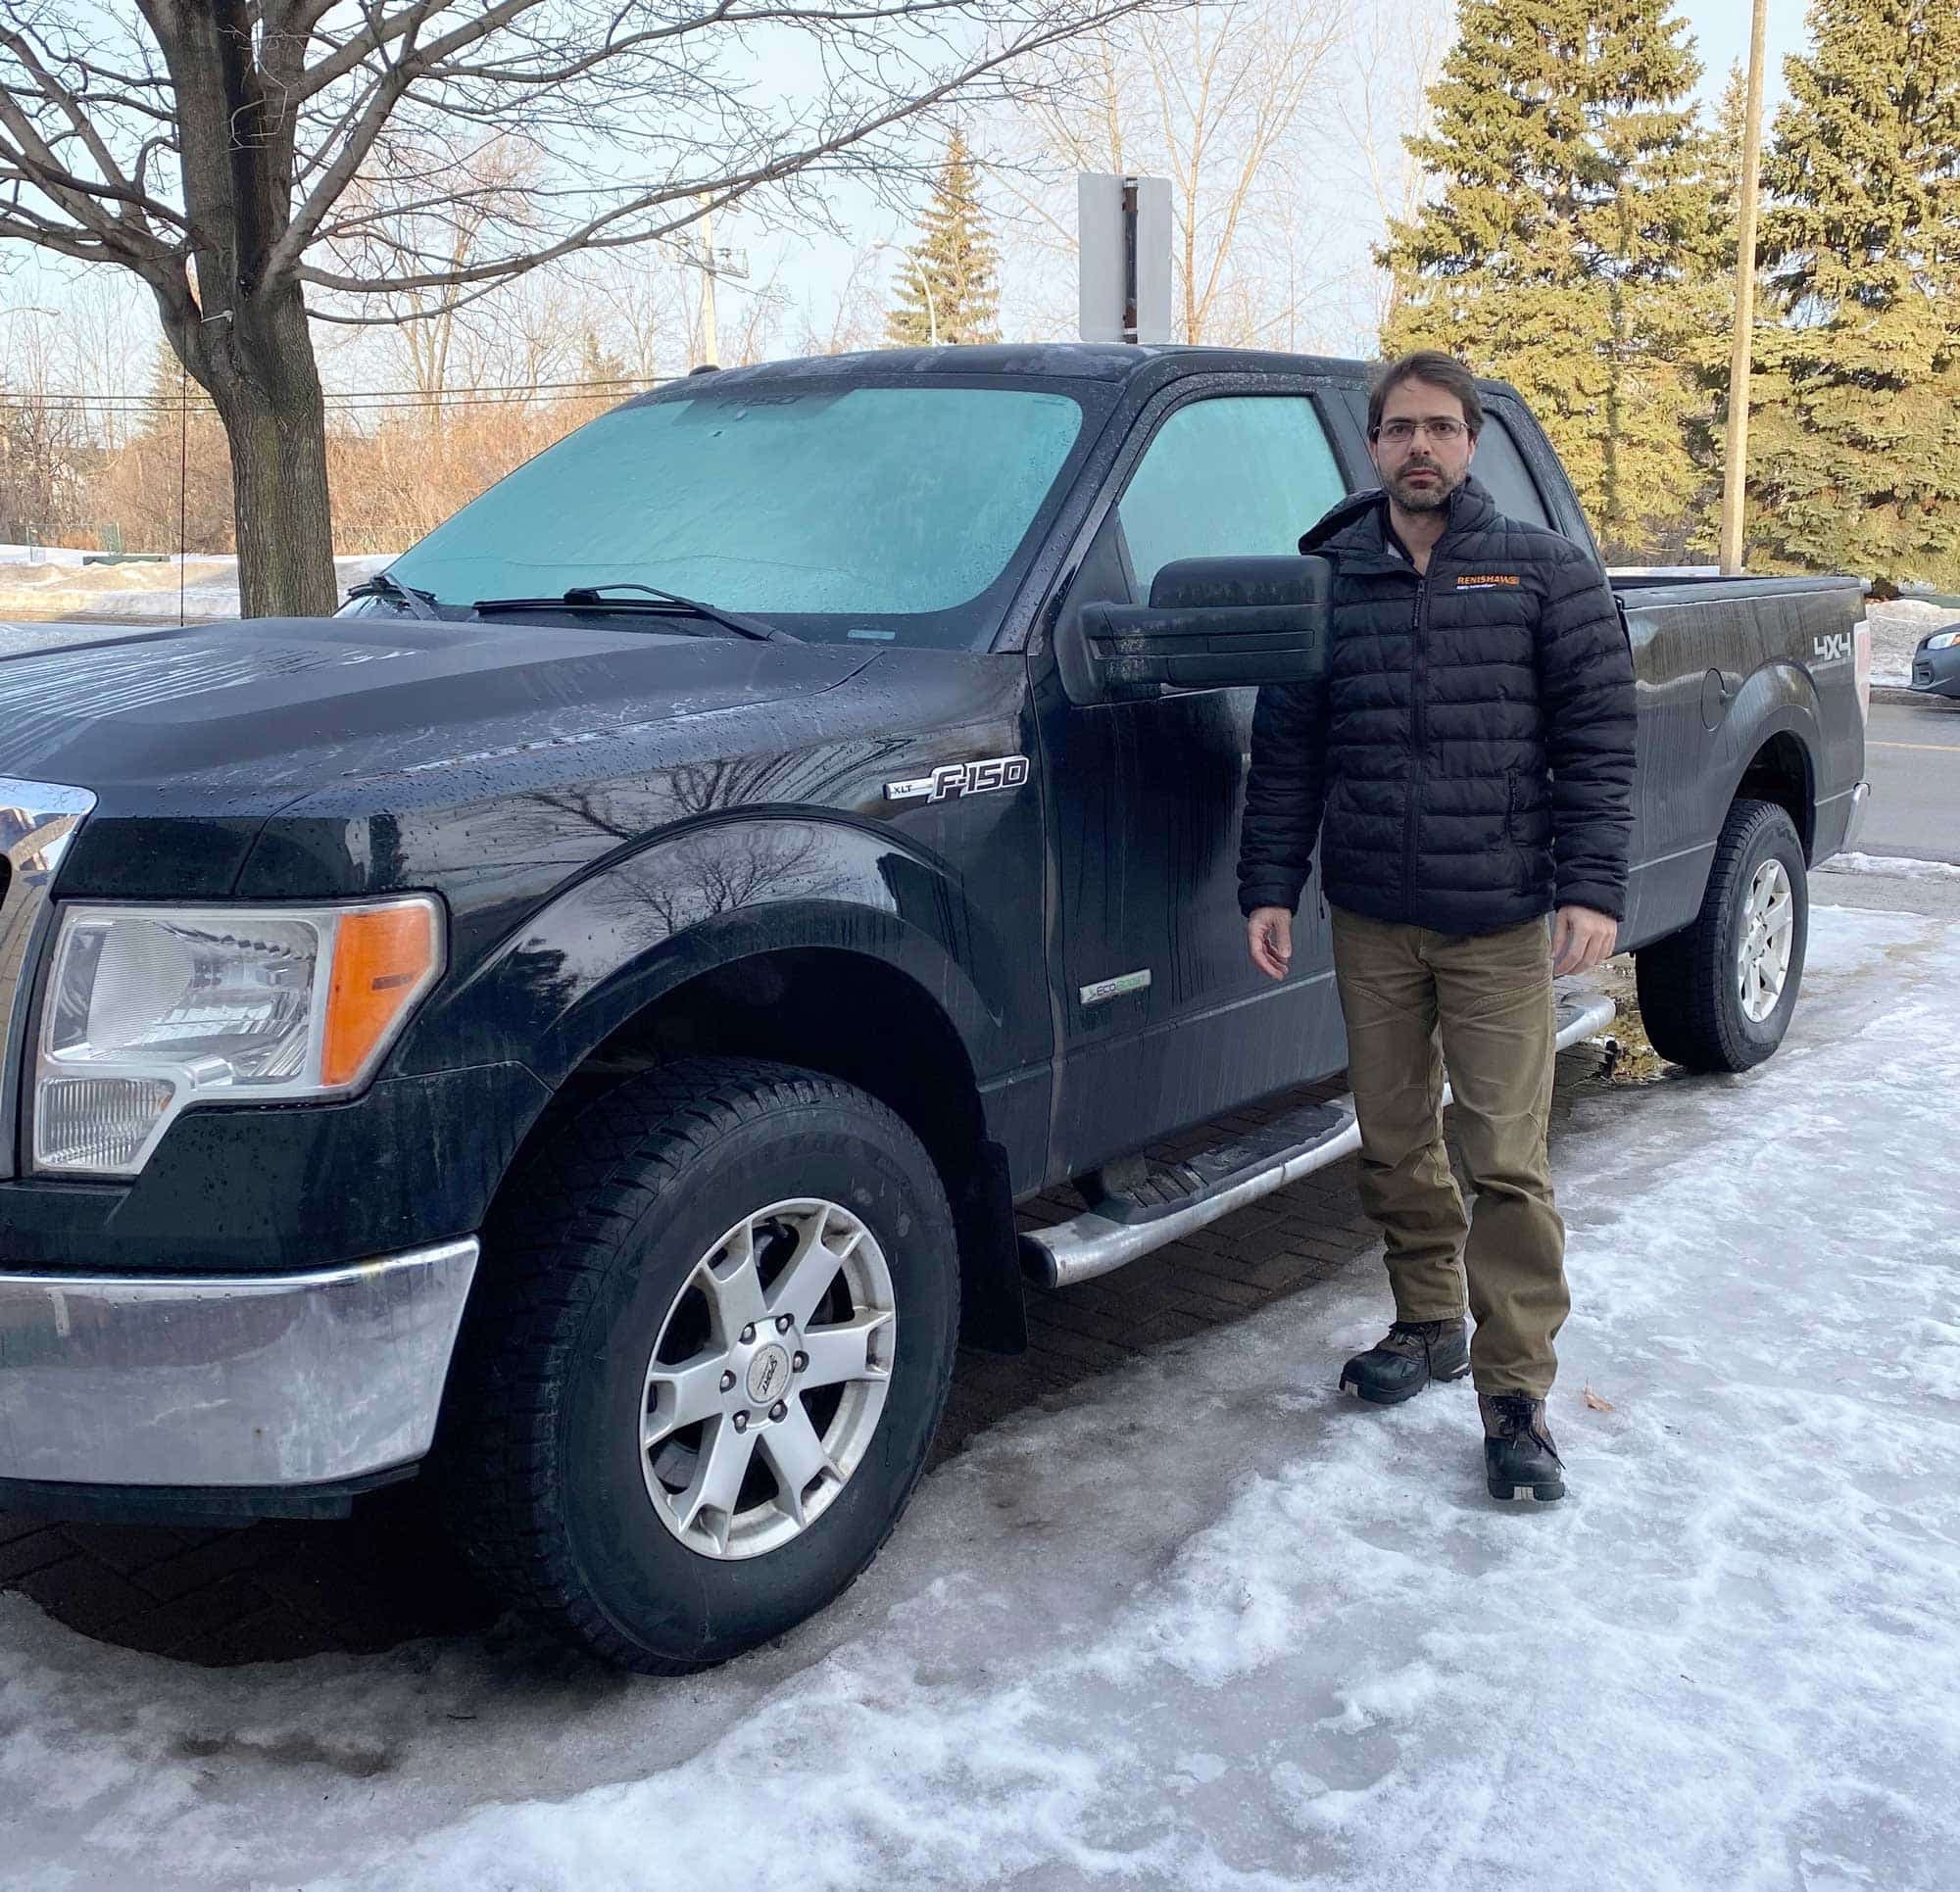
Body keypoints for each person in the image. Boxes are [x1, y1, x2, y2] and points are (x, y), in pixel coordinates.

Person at [1238, 350, 1636, 1504]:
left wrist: (1589, 887)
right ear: (1371, 448)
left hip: (1495, 917)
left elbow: (1597, 741)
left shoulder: (1539, 572)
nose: (1420, 446)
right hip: (1370, 913)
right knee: (1391, 1137)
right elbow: (1289, 748)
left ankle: (1513, 1395)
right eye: (1399, 429)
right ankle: (1426, 1321)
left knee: (1504, 1159)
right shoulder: (1329, 573)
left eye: (1441, 428)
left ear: (1471, 444)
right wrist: (1271, 881)